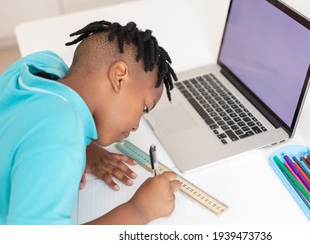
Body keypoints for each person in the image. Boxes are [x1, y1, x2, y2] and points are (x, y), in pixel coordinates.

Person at [0, 20, 181, 225]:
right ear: (119, 77)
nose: (136, 126)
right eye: (145, 108)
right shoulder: (59, 138)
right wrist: (139, 210)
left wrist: (84, 146)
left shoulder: (41, 65)